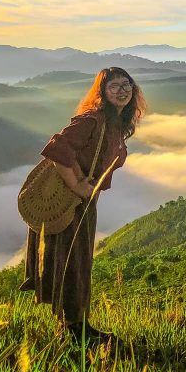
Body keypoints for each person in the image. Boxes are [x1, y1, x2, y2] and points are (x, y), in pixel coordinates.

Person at [19, 67, 144, 344]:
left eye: (127, 85)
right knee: (72, 262)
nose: (122, 91)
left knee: (78, 262)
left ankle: (75, 326)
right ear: (102, 92)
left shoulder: (115, 122)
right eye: (114, 86)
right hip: (67, 202)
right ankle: (75, 330)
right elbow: (58, 148)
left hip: (83, 203)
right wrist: (77, 186)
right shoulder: (93, 119)